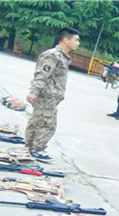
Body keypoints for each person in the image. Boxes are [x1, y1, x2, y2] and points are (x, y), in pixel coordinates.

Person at [25, 27, 80, 162]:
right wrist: (34, 91)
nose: (78, 43)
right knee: (48, 124)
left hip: (51, 96)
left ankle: (30, 146)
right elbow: (42, 74)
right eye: (76, 40)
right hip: (46, 96)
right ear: (65, 40)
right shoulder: (53, 55)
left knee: (37, 120)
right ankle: (37, 149)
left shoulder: (62, 56)